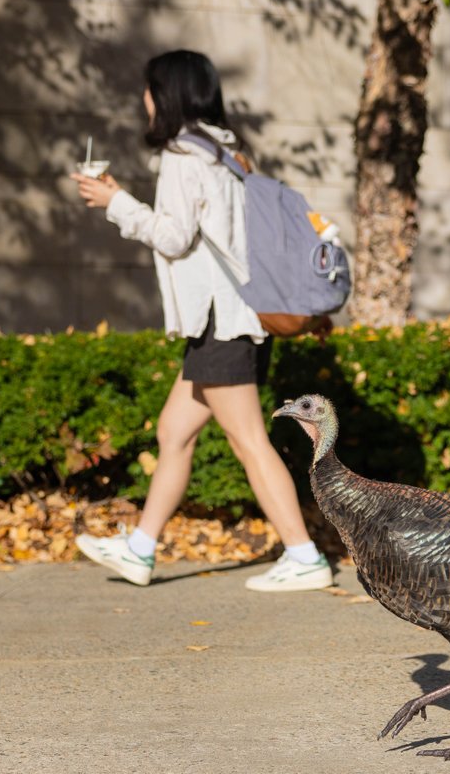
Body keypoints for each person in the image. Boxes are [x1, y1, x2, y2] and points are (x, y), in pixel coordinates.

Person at [69, 49, 331, 592]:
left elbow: (173, 236)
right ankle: (140, 549)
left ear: (165, 94)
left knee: (249, 441)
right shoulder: (229, 152)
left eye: (148, 90)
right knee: (174, 431)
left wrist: (116, 201)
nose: (144, 99)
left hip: (223, 322)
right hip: (234, 319)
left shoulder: (183, 156)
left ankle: (304, 556)